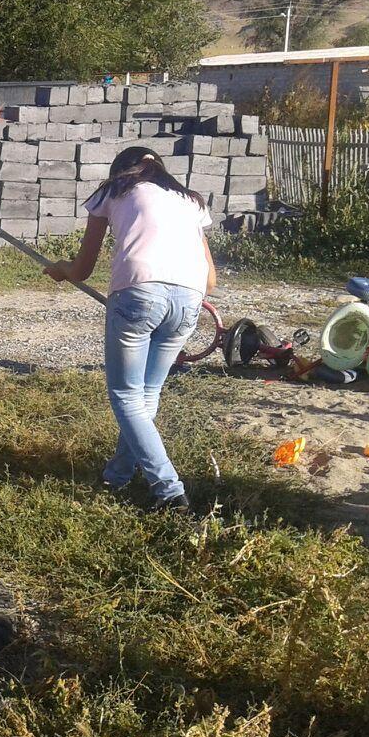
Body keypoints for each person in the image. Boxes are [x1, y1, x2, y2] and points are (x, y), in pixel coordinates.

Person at [43, 145, 217, 511]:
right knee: (146, 394)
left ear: (121, 170)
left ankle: (169, 491)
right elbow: (211, 281)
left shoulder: (114, 189)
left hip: (138, 294)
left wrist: (61, 269)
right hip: (190, 300)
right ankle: (118, 475)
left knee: (125, 396)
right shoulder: (190, 200)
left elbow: (82, 269)